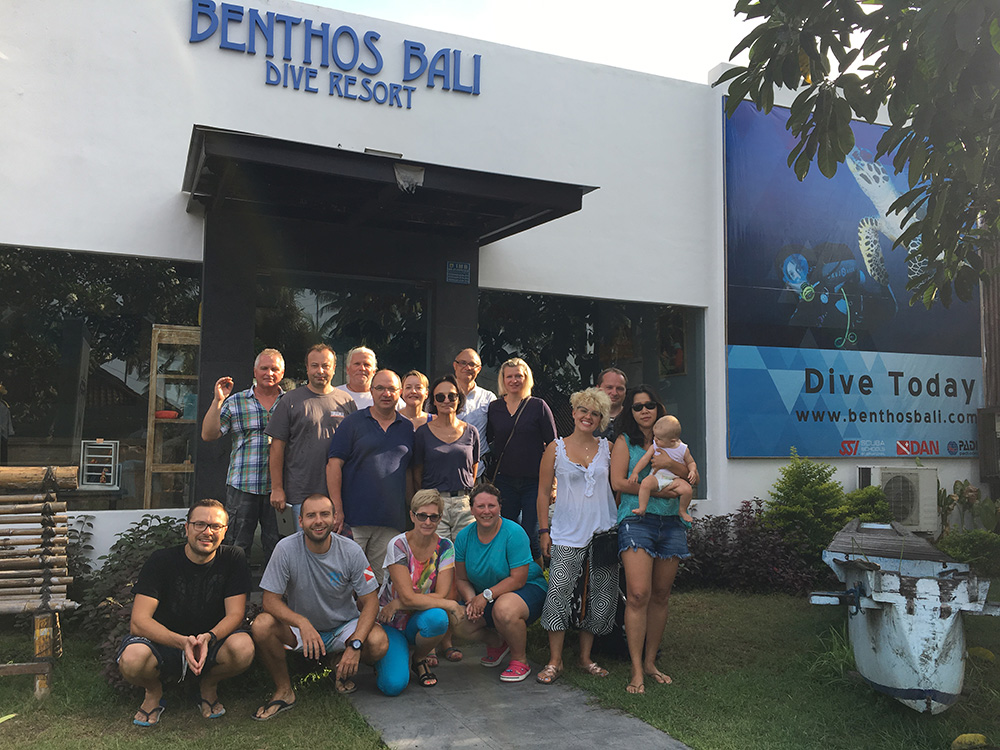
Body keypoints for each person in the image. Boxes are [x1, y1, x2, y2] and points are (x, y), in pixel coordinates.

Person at [251, 494, 406, 720]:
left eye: (324, 514)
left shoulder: (351, 551)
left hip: (342, 627)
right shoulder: (285, 549)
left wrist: (355, 645)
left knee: (378, 642)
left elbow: (371, 601)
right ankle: (284, 690)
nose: (318, 521)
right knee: (262, 625)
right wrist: (301, 622)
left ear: (335, 519)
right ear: (300, 521)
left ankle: (337, 662)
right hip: (301, 630)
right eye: (311, 515)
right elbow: (269, 600)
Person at [117, 499, 254, 726]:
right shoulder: (161, 560)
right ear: (187, 528)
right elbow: (139, 622)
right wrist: (182, 642)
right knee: (132, 659)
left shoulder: (233, 558)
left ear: (225, 531)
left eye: (215, 526)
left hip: (212, 642)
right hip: (163, 643)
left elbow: (235, 615)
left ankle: (208, 684)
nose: (207, 532)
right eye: (199, 524)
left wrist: (209, 637)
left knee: (244, 648)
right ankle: (153, 691)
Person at [611, 386, 692, 695]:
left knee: (660, 595)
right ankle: (635, 669)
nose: (644, 410)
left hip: (671, 523)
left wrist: (671, 465)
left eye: (649, 405)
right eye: (637, 407)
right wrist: (661, 492)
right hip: (637, 521)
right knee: (638, 594)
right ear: (630, 413)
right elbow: (618, 482)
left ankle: (649, 662)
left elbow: (691, 476)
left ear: (658, 408)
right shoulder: (625, 442)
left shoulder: (675, 443)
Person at [535, 388, 618, 684]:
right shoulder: (555, 448)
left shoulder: (609, 448)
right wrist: (544, 530)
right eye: (583, 410)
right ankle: (554, 661)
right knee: (558, 593)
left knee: (600, 595)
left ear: (601, 419)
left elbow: (619, 486)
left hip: (603, 531)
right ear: (573, 412)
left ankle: (585, 657)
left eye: (595, 413)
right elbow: (543, 493)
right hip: (566, 532)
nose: (588, 416)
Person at [412, 373, 481, 663]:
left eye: (451, 396)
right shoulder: (422, 433)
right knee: (433, 572)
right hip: (433, 504)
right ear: (433, 400)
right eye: (439, 396)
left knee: (462, 568)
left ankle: (460, 634)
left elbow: (473, 469)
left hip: (463, 503)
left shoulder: (471, 431)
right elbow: (416, 472)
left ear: (459, 399)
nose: (446, 401)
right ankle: (436, 639)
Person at [453, 483, 548, 683]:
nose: (486, 511)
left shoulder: (514, 532)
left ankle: (520, 659)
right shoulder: (463, 537)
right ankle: (498, 642)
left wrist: (485, 596)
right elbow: (461, 578)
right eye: (480, 506)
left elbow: (518, 579)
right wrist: (471, 601)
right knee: (457, 620)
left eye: (491, 506)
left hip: (526, 588)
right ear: (472, 509)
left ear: (500, 507)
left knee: (504, 610)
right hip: (487, 595)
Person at [327, 369, 414, 582]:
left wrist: (411, 510)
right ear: (371, 392)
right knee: (347, 578)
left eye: (391, 389)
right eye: (380, 388)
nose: (386, 393)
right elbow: (333, 465)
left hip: (391, 521)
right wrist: (337, 509)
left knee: (380, 582)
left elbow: (409, 472)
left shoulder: (407, 427)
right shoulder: (352, 423)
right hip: (354, 519)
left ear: (400, 392)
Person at [201, 348, 285, 565]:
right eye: (264, 368)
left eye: (274, 369)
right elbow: (209, 434)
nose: (269, 373)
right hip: (242, 485)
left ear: (282, 373)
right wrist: (218, 400)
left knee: (279, 548)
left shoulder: (290, 403)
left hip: (279, 488)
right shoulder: (236, 401)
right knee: (236, 546)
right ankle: (236, 588)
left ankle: (273, 588)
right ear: (255, 372)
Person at [377, 490, 464, 687]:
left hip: (418, 617)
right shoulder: (398, 544)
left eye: (434, 517)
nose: (427, 522)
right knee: (393, 685)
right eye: (422, 516)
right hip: (391, 621)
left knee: (438, 618)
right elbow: (412, 597)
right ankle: (389, 659)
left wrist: (398, 603)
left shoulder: (445, 547)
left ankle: (419, 658)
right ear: (412, 516)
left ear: (440, 518)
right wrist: (450, 604)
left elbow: (440, 594)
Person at [265, 344, 356, 518]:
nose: (320, 371)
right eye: (314, 365)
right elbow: (276, 448)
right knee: (301, 537)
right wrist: (276, 488)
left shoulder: (346, 402)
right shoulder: (290, 401)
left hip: (338, 495)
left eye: (325, 366)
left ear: (334, 368)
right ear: (307, 368)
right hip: (299, 494)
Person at [485, 357, 557, 559]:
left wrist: (553, 483)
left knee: (530, 534)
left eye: (519, 376)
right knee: (508, 533)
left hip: (534, 482)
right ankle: (513, 573)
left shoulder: (538, 406)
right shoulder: (494, 408)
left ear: (526, 378)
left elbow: (553, 446)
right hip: (505, 480)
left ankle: (537, 575)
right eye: (509, 376)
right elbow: (489, 440)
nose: (514, 380)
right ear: (503, 379)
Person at [629, 414, 698, 522]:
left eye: (659, 439)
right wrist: (635, 472)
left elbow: (691, 462)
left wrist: (692, 471)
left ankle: (682, 510)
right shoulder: (655, 446)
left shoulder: (683, 449)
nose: (655, 440)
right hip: (657, 477)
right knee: (645, 483)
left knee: (687, 490)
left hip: (674, 479)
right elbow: (645, 459)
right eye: (655, 436)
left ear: (673, 441)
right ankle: (642, 508)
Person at [452, 348, 496, 457]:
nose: (467, 368)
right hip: (447, 462)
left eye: (472, 364)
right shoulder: (441, 395)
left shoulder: (488, 398)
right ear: (455, 365)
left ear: (479, 369)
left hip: (478, 463)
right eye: (463, 363)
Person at [594, 367, 627, 440]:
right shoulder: (588, 418)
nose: (614, 393)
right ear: (598, 389)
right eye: (609, 387)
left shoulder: (633, 418)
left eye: (619, 388)